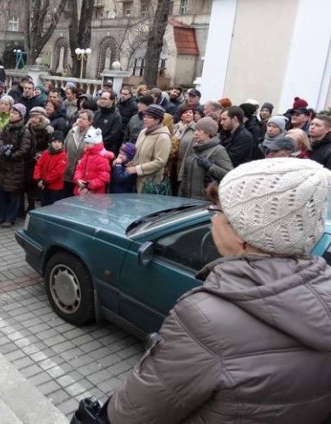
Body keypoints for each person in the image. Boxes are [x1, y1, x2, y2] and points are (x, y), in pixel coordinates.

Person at [107, 158, 331, 424]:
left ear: (241, 234)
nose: (213, 222)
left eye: (218, 214)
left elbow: (129, 414)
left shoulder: (206, 318)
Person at [0, 103, 32, 227]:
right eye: (11, 113)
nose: (12, 115)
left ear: (21, 115)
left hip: (15, 167)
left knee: (13, 194)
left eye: (15, 113)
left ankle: (10, 218)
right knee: (0, 192)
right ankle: (1, 215)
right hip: (2, 165)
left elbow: (24, 149)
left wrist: (11, 155)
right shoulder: (7, 127)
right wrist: (2, 148)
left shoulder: (24, 130)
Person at [179, 117, 233, 199]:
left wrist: (210, 166)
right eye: (195, 130)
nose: (195, 133)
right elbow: (185, 176)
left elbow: (229, 174)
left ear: (208, 133)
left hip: (205, 201)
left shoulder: (218, 150)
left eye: (199, 130)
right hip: (187, 199)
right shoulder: (194, 147)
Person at [126, 104, 171, 193]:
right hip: (136, 178)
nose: (145, 119)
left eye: (149, 117)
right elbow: (138, 152)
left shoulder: (163, 137)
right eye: (144, 116)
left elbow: (160, 161)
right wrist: (132, 162)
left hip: (150, 183)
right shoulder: (143, 132)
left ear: (158, 119)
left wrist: (137, 169)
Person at [73, 127, 114, 196]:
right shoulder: (86, 154)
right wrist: (78, 179)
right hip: (82, 191)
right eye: (85, 143)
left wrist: (89, 185)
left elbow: (104, 178)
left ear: (95, 144)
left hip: (95, 194)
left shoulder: (102, 158)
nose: (85, 145)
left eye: (88, 143)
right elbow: (79, 169)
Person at [63, 110, 94, 197]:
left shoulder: (94, 135)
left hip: (83, 176)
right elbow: (64, 149)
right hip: (68, 173)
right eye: (79, 118)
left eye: (83, 118)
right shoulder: (71, 131)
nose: (80, 120)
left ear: (90, 121)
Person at [33, 130, 67, 206]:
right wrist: (37, 178)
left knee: (54, 206)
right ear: (50, 143)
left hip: (55, 187)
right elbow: (38, 165)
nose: (57, 144)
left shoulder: (63, 155)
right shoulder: (46, 152)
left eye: (59, 142)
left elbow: (57, 172)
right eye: (54, 142)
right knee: (44, 204)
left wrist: (45, 181)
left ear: (62, 143)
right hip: (43, 185)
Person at [172, 106, 196, 195]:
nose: (188, 114)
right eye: (186, 112)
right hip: (173, 163)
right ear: (181, 116)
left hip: (184, 163)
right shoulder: (175, 127)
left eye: (191, 112)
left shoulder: (196, 129)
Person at [93, 90, 122, 154]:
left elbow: (112, 136)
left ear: (112, 101)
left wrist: (97, 142)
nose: (102, 101)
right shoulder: (96, 114)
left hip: (106, 151)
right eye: (101, 98)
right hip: (93, 148)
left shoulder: (116, 117)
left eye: (105, 99)